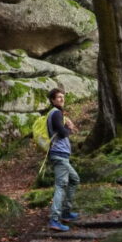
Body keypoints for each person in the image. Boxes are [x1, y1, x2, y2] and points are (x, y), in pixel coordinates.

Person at [44, 88, 80, 232]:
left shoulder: (56, 113)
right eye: (58, 97)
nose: (61, 99)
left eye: (62, 97)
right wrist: (69, 127)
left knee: (74, 179)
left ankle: (65, 212)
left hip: (61, 155)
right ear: (52, 100)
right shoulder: (56, 113)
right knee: (61, 185)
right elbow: (62, 132)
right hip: (59, 154)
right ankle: (54, 219)